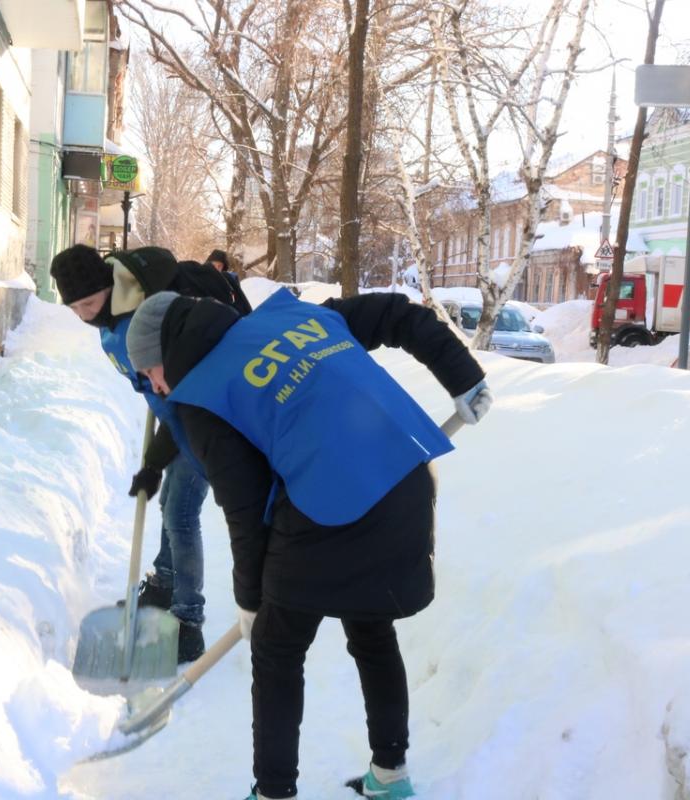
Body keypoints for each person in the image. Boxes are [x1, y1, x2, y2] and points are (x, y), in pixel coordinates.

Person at [125, 287, 492, 800]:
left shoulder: (204, 396)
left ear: (162, 356)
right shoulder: (296, 316)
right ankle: (390, 775)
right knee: (372, 630)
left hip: (335, 507)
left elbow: (246, 513)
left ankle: (273, 792)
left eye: (147, 371)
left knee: (276, 649)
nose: (150, 383)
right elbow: (395, 313)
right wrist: (463, 376)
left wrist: (251, 602)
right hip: (405, 479)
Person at [50, 243, 248, 663]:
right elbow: (158, 391)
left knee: (179, 512)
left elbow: (184, 397)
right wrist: (156, 456)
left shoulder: (145, 317)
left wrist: (157, 460)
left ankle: (188, 622)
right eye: (73, 308)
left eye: (87, 302)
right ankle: (164, 585)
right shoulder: (110, 318)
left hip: (209, 417)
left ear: (109, 285)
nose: (83, 315)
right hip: (176, 419)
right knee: (170, 507)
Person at [206, 248, 253, 316]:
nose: (216, 268)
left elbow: (241, 301)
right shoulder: (204, 279)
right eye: (213, 265)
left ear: (223, 267)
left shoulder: (229, 279)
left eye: (219, 266)